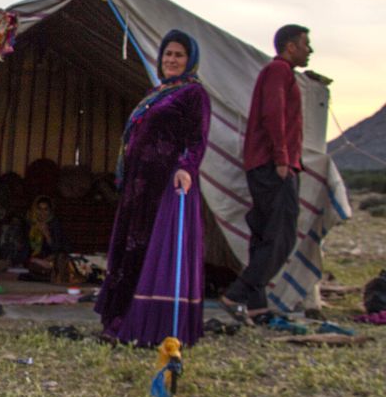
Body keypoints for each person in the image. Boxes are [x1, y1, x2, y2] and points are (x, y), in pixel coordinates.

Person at [95, 29, 211, 347]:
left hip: (164, 185)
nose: (171, 60)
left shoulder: (193, 94)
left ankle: (145, 323)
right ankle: (119, 318)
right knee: (129, 249)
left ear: (191, 61)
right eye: (168, 54)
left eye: (179, 55)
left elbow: (196, 137)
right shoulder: (158, 91)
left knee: (149, 249)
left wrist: (186, 168)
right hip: (139, 184)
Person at [221, 25, 312, 322]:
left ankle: (257, 306)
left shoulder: (278, 72)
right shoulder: (279, 71)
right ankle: (237, 293)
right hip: (272, 165)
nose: (309, 50)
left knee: (263, 235)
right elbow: (274, 113)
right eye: (305, 44)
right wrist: (283, 158)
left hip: (265, 163)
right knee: (282, 236)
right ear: (289, 47)